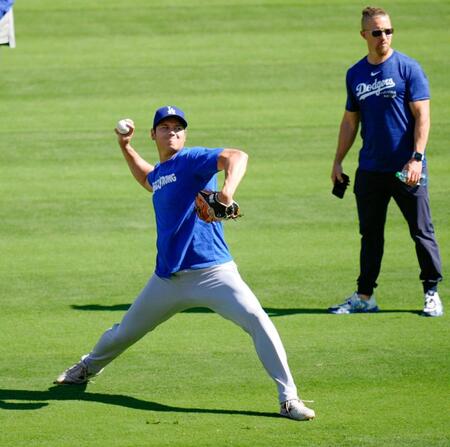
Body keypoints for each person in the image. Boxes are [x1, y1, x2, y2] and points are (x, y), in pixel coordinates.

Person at [55, 105, 315, 421]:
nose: (173, 131)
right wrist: (125, 147)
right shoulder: (162, 173)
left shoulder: (191, 160)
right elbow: (148, 179)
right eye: (165, 127)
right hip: (167, 280)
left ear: (185, 134)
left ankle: (289, 399)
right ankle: (87, 367)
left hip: (214, 273)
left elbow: (237, 156)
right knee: (123, 332)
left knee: (259, 321)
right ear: (153, 134)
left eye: (178, 127)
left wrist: (226, 193)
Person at [328, 6, 443, 317]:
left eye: (388, 31)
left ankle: (431, 292)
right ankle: (365, 296)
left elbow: (423, 117)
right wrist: (338, 161)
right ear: (364, 34)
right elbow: (350, 121)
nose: (383, 37)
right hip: (370, 168)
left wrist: (417, 158)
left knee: (421, 231)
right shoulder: (355, 73)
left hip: (407, 167)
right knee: (370, 234)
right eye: (377, 32)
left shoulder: (408, 68)